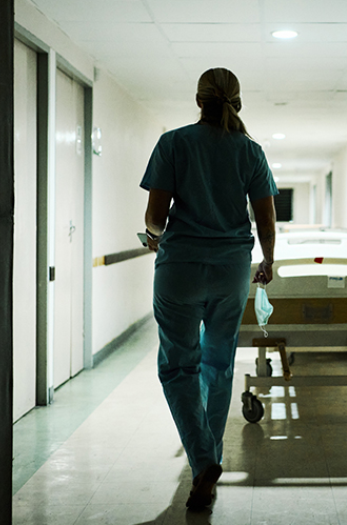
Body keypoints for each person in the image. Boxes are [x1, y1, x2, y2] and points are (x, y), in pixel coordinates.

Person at [139, 67, 277, 510]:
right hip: (231, 269)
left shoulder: (174, 143)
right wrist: (267, 260)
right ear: (237, 103)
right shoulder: (250, 151)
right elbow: (266, 221)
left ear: (199, 101)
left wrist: (154, 234)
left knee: (178, 366)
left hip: (179, 268)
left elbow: (155, 217)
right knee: (217, 364)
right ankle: (209, 462)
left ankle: (203, 462)